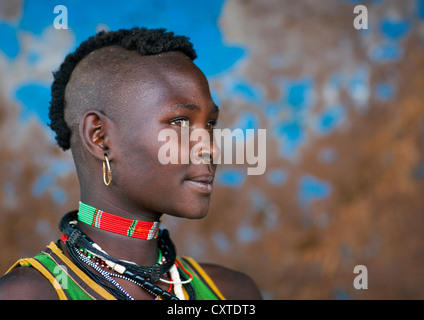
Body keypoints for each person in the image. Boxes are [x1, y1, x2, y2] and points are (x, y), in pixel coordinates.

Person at [0, 27, 262, 300]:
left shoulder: (231, 292)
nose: (210, 146)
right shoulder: (29, 294)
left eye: (210, 124)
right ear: (100, 137)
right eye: (180, 122)